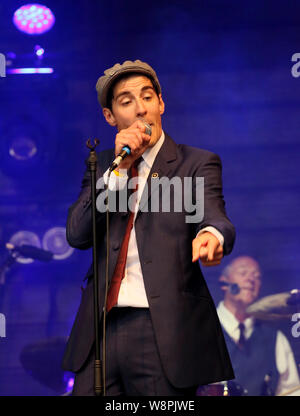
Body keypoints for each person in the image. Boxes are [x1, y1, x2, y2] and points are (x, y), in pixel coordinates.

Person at [62, 60, 236, 396]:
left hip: (163, 330)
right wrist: (120, 171)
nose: (141, 110)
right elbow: (77, 233)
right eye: (126, 102)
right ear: (110, 117)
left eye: (147, 97)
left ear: (161, 103)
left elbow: (216, 217)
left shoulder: (194, 163)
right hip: (100, 331)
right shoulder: (104, 169)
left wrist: (210, 235)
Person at [216, 255, 300, 396]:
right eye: (243, 273)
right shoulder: (200, 330)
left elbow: (292, 391)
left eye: (257, 276)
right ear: (224, 282)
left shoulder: (275, 340)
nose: (251, 279)